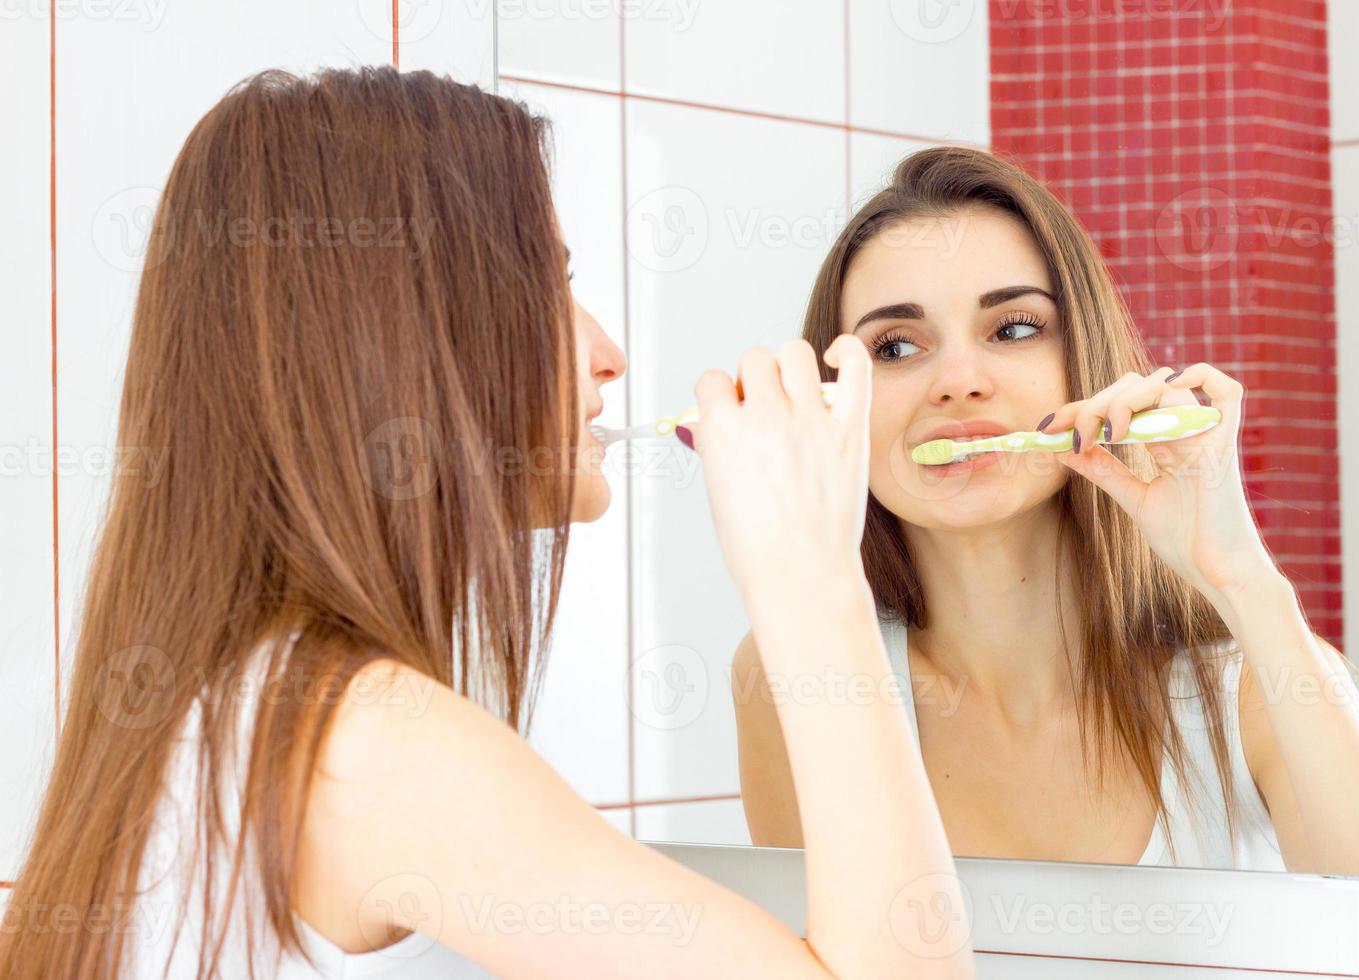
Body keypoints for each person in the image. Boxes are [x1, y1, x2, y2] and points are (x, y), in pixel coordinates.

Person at [0, 67, 972, 979]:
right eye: (550, 283)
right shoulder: (359, 741)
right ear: (402, 331)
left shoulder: (235, 700)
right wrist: (812, 576)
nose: (609, 353)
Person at [733, 146, 1359, 880]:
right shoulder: (799, 673)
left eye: (1013, 329)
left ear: (1089, 360)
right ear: (835, 401)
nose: (957, 382)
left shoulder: (1251, 681)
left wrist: (1240, 580)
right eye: (894, 346)